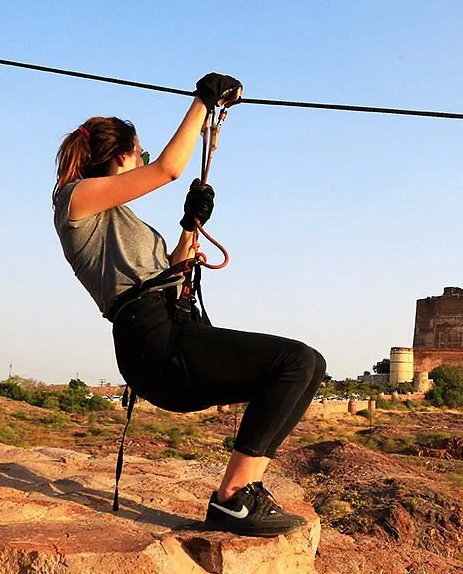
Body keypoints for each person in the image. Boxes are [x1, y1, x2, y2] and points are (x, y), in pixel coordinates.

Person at [52, 73, 326, 537]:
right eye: (139, 150)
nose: (143, 157)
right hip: (152, 338)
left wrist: (189, 225)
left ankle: (242, 494)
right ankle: (232, 499)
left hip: (165, 330)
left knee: (305, 367)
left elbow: (166, 270)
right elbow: (167, 169)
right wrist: (203, 102)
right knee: (294, 361)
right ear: (123, 156)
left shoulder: (117, 216)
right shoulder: (74, 199)